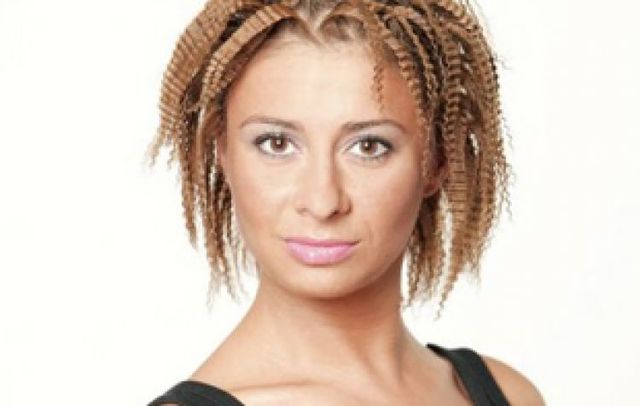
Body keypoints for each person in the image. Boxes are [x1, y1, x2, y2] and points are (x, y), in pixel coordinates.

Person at [146, 0, 544, 404]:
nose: (323, 202)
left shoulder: (509, 394)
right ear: (223, 153)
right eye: (276, 144)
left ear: (436, 162)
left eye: (369, 146)